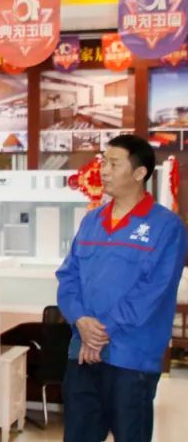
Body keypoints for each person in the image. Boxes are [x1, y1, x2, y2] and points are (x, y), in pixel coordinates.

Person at [56, 134, 187, 442]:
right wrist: (81, 321)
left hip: (131, 357)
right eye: (104, 162)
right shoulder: (92, 221)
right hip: (82, 354)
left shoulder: (166, 227)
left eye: (114, 164)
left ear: (139, 173)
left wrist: (100, 332)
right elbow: (68, 277)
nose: (103, 170)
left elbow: (152, 292)